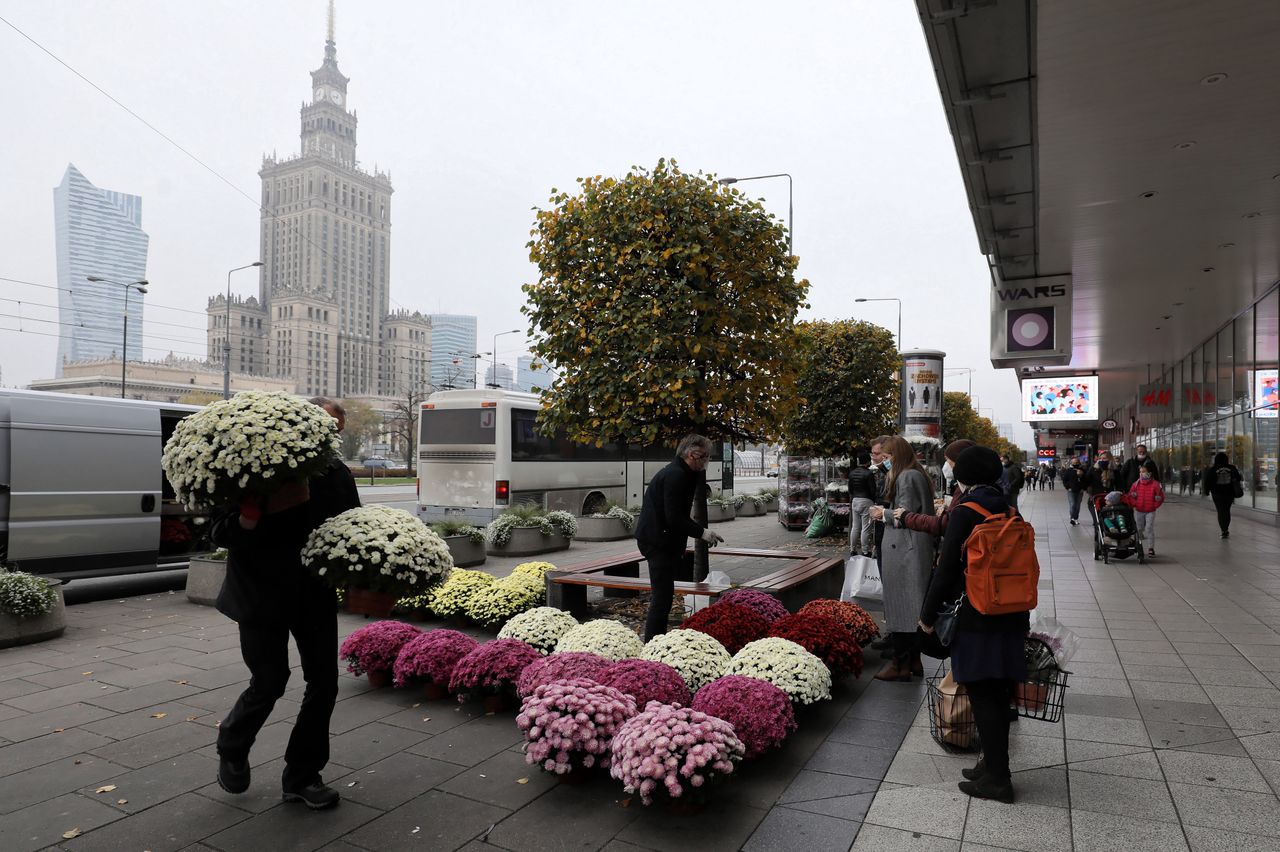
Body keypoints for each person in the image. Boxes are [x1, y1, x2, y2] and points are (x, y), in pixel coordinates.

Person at [919, 445, 1029, 804]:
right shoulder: (1007, 505)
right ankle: (992, 765)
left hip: (978, 614)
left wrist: (927, 614)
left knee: (983, 694)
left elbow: (947, 568)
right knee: (998, 692)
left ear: (962, 474)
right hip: (1010, 611)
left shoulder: (966, 510)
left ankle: (998, 778)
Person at [634, 434, 724, 640]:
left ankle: (656, 641)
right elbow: (674, 518)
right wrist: (703, 533)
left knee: (664, 596)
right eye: (706, 457)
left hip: (663, 540)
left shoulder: (683, 472)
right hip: (657, 542)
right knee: (662, 600)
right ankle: (652, 645)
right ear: (693, 455)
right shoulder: (676, 475)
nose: (707, 462)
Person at [870, 436, 935, 681]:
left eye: (886, 458)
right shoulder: (917, 473)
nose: (883, 463)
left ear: (896, 456)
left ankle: (901, 664)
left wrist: (881, 513)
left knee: (901, 604)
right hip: (914, 547)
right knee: (912, 605)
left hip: (904, 548)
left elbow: (902, 514)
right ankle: (914, 660)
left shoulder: (906, 476)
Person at [893, 439, 976, 538]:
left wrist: (906, 516)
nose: (947, 467)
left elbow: (948, 524)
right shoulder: (964, 488)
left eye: (949, 462)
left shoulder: (973, 491)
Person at [1123, 461, 1165, 557]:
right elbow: (1131, 495)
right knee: (1139, 528)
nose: (1142, 473)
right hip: (1139, 510)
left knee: (1149, 528)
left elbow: (1160, 497)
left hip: (1150, 511)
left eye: (1144, 471)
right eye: (1140, 472)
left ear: (1149, 473)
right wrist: (1136, 504)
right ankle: (1139, 543)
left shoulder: (1155, 485)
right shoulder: (1136, 484)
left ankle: (1151, 548)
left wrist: (1154, 505)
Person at [1203, 451, 1243, 538]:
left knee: (1220, 511)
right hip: (1229, 493)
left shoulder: (1213, 469)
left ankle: (1223, 530)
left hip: (1217, 493)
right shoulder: (1232, 468)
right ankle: (1226, 528)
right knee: (1227, 510)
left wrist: (1206, 491)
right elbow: (1238, 478)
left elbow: (1207, 481)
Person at [848, 451, 878, 557]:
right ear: (867, 461)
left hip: (855, 501)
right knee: (866, 527)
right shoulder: (869, 473)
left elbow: (850, 489)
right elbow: (873, 490)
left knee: (855, 527)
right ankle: (865, 551)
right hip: (866, 501)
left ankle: (852, 549)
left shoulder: (852, 473)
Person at [1082, 451, 1116, 528]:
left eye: (1104, 458)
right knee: (1097, 520)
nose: (1101, 460)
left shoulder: (1114, 470)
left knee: (1108, 520)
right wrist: (1081, 477)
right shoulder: (1093, 469)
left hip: (1110, 499)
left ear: (1110, 459)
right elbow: (1086, 481)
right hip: (1095, 497)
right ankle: (1098, 535)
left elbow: (1119, 483)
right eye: (1100, 458)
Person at [1061, 459, 1085, 525]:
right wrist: (1068, 487)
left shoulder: (1082, 470)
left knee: (1077, 505)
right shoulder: (1068, 471)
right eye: (1074, 462)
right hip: (1071, 491)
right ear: (1071, 463)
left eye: (1077, 462)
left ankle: (1076, 518)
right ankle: (1072, 518)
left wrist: (1083, 487)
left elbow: (1086, 480)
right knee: (1072, 504)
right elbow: (1064, 480)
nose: (1075, 464)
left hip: (1080, 491)